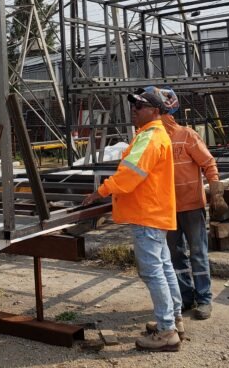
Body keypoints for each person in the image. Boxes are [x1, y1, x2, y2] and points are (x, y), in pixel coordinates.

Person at [82, 89, 182, 352]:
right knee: (164, 267)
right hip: (155, 213)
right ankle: (175, 320)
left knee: (153, 272)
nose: (133, 110)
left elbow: (129, 175)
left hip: (146, 214)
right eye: (133, 105)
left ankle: (167, 332)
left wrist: (100, 192)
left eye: (139, 106)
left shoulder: (150, 138)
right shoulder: (154, 135)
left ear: (155, 111)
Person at [144, 86, 227, 321]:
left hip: (191, 206)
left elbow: (208, 163)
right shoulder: (151, 140)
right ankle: (185, 297)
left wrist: (216, 192)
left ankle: (204, 299)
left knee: (198, 253)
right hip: (167, 209)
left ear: (160, 110)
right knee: (175, 255)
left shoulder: (187, 136)